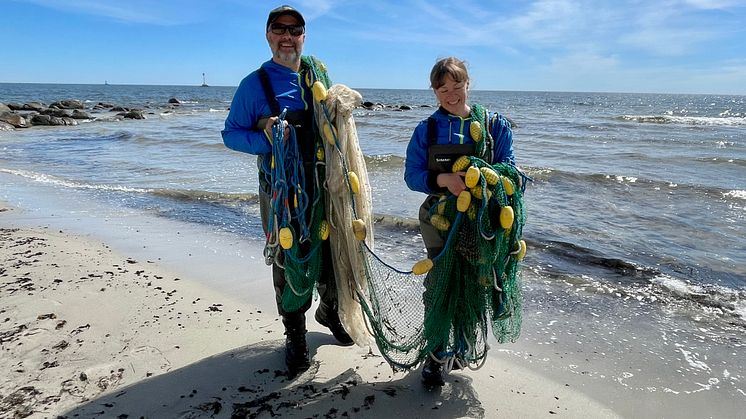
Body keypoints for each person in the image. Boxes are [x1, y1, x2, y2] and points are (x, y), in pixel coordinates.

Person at [222, 5, 353, 377]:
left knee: (331, 248)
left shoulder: (316, 77)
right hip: (283, 190)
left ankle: (330, 311)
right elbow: (231, 134)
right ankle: (294, 331)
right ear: (267, 35)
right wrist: (269, 139)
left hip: (324, 186)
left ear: (303, 38)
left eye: (295, 30)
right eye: (279, 29)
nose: (287, 37)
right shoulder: (255, 84)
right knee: (288, 255)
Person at [404, 57, 516, 386]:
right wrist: (445, 181)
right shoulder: (427, 129)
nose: (451, 94)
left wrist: (487, 177)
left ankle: (461, 347)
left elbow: (512, 169)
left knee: (474, 284)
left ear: (468, 83)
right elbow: (412, 175)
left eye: (457, 86)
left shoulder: (495, 126)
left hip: (483, 222)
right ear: (434, 91)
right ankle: (436, 354)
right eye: (442, 89)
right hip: (439, 219)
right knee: (439, 284)